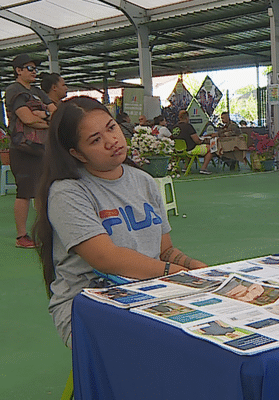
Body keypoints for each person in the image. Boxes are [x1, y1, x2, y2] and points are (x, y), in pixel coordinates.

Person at [32, 96, 209, 348]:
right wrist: (174, 273)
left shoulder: (143, 181)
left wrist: (196, 267)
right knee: (161, 350)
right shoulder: (68, 193)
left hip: (149, 292)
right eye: (95, 140)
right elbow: (106, 259)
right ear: (76, 153)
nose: (111, 141)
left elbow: (165, 251)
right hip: (90, 302)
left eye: (111, 127)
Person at [6, 53, 57, 249]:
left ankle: (43, 231)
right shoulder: (13, 90)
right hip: (23, 149)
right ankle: (22, 236)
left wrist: (43, 115)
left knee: (42, 190)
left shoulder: (37, 91)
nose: (34, 71)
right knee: (25, 192)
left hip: (41, 148)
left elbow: (55, 111)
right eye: (29, 68)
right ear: (18, 71)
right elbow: (27, 119)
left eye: (35, 68)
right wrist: (49, 121)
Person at [172, 110, 213, 174]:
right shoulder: (188, 126)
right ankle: (204, 168)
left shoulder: (174, 127)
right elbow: (196, 140)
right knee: (211, 148)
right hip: (190, 149)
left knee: (188, 149)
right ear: (187, 118)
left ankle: (185, 167)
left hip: (178, 149)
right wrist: (202, 141)